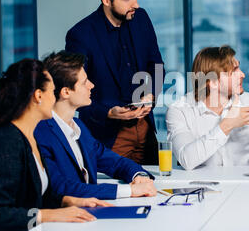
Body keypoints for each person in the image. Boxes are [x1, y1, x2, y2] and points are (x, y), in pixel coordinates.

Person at [0, 59, 110, 231]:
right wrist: (47, 216)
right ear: (38, 96)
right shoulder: (7, 141)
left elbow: (34, 197)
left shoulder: (29, 137)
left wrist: (67, 201)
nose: (55, 98)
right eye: (52, 91)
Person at [65, 0, 165, 165]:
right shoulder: (81, 35)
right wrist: (109, 112)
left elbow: (156, 66)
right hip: (109, 136)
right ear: (106, 0)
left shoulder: (141, 19)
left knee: (154, 186)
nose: (135, 4)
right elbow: (75, 89)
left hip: (145, 129)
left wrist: (149, 95)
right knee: (118, 194)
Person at [34, 51, 157, 200]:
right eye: (85, 82)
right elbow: (60, 188)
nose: (91, 85)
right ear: (66, 92)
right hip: (63, 219)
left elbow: (115, 162)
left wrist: (139, 175)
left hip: (89, 215)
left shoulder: (79, 127)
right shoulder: (41, 133)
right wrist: (129, 191)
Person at [166, 45, 249, 170]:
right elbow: (186, 159)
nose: (242, 75)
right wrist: (226, 125)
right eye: (234, 71)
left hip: (246, 185)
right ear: (212, 82)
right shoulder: (179, 110)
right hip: (200, 186)